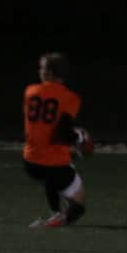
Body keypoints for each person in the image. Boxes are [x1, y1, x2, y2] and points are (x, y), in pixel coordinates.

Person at [22, 51, 93, 228]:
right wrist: (78, 138)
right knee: (79, 204)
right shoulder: (71, 97)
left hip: (30, 161)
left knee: (50, 177)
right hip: (52, 162)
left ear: (49, 73)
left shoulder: (30, 91)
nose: (39, 71)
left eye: (42, 68)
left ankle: (55, 212)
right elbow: (61, 133)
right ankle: (58, 221)